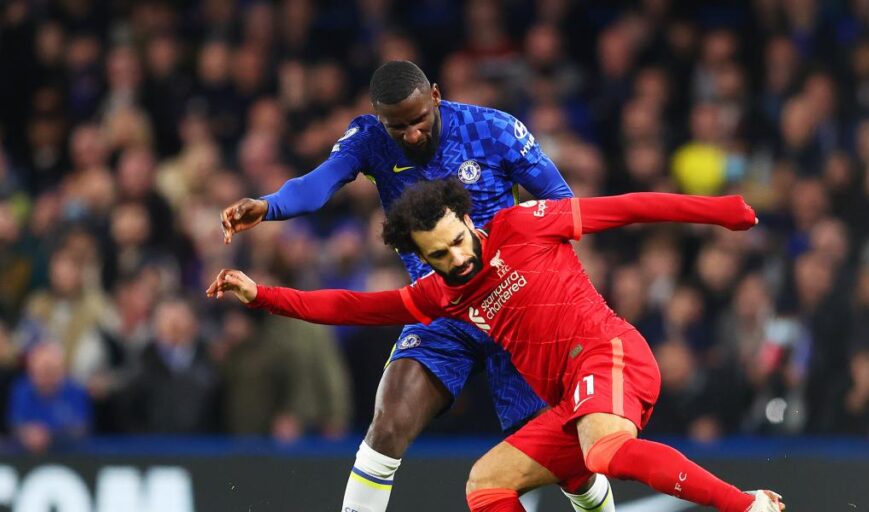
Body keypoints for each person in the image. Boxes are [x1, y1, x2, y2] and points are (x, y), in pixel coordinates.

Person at [208, 179, 784, 512]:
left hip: (609, 355)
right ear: (422, 257)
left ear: (468, 219)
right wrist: (261, 295)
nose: (456, 258)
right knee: (486, 484)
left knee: (603, 454)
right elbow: (349, 307)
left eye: (458, 241)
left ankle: (748, 505)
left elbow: (630, 207)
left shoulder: (524, 223)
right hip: (571, 402)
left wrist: (721, 213)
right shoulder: (438, 295)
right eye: (439, 254)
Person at [218, 60, 613, 512]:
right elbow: (316, 185)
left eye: (419, 120)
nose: (410, 135)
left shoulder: (494, 130)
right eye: (397, 126)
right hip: (441, 310)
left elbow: (562, 204)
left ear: (437, 96)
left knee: (569, 464)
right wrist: (268, 207)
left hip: (516, 309)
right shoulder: (368, 139)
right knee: (386, 426)